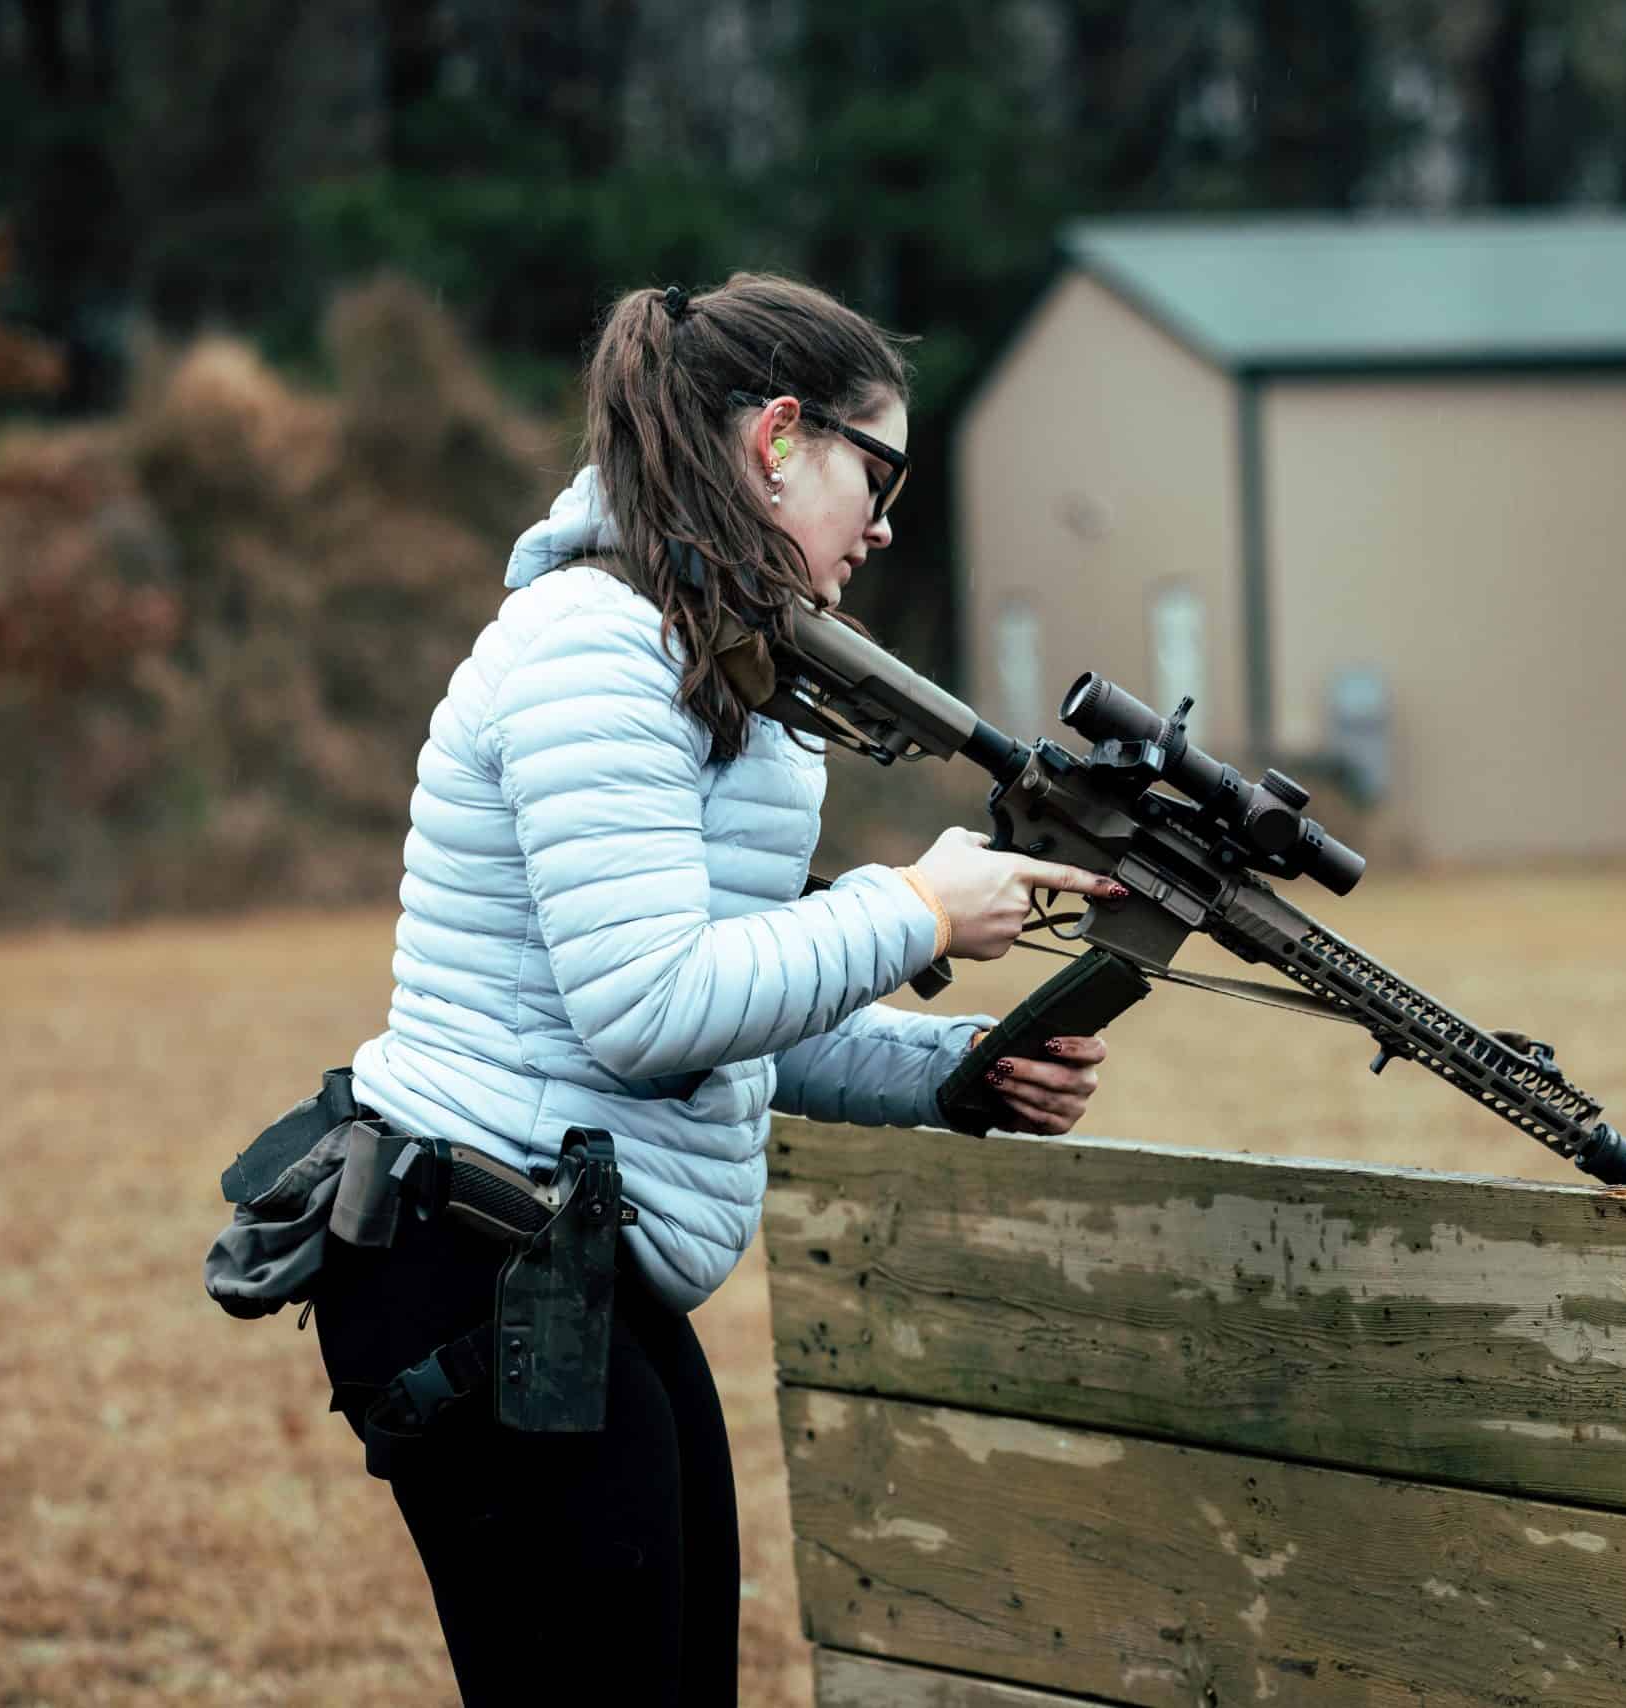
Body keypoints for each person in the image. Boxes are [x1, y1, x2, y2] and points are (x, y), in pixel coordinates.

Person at [309, 271, 1119, 1705]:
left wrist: (947, 1073)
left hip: (568, 1258)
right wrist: (918, 905)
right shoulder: (592, 652)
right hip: (472, 1259)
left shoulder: (700, 656)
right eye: (878, 474)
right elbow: (648, 1008)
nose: (883, 524)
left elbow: (728, 1035)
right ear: (779, 440)